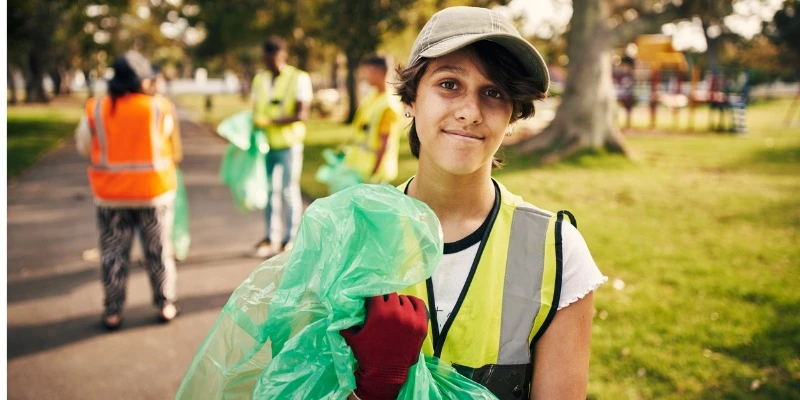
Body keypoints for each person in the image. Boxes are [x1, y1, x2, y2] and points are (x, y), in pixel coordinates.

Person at [339, 6, 607, 399]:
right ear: (411, 99)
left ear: (513, 115)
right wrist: (374, 385)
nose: (470, 112)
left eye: (494, 93)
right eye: (449, 84)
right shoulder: (354, 235)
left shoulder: (558, 253)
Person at [75, 51, 183, 329]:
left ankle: (113, 312)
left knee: (113, 254)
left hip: (110, 196)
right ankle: (165, 304)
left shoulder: (97, 108)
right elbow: (169, 143)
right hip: (153, 193)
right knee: (157, 251)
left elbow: (84, 146)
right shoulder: (158, 107)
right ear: (142, 80)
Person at [251, 36, 313, 258]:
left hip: (289, 144)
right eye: (267, 59)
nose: (271, 63)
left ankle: (291, 237)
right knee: (268, 191)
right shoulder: (260, 79)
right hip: (266, 145)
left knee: (288, 191)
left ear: (283, 56)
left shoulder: (299, 78)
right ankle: (271, 236)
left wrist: (270, 122)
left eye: (274, 59)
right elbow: (255, 108)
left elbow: (301, 114)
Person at [341, 56, 403, 184]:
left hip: (374, 174)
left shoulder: (388, 105)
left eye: (367, 72)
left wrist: (374, 172)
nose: (365, 76)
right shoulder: (372, 95)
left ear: (378, 72)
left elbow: (385, 143)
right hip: (361, 169)